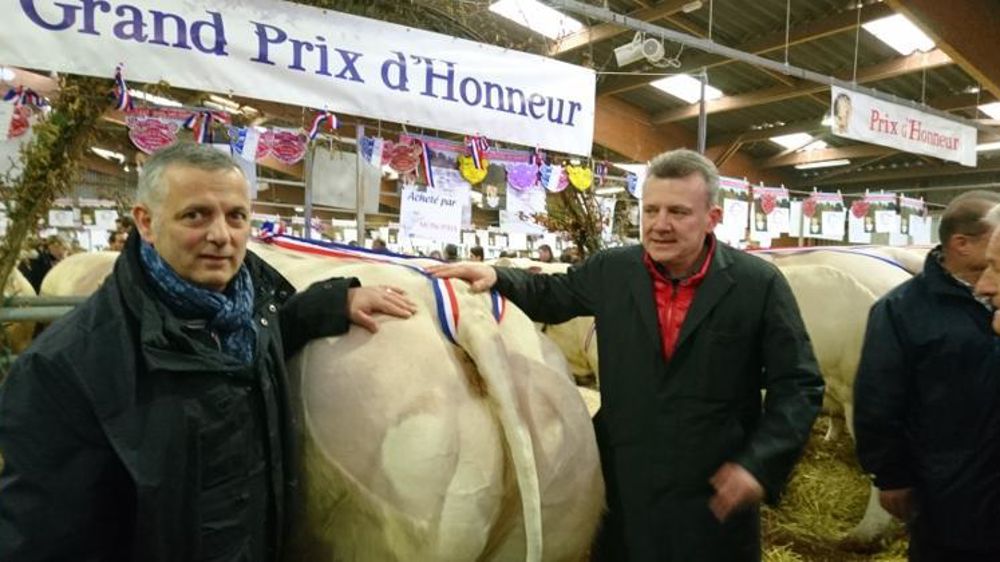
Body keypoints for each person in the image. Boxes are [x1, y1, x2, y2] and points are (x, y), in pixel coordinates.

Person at [0, 143, 418, 562]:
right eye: (195, 215)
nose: (221, 235)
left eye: (236, 216)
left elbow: (273, 333)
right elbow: (40, 535)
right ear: (145, 222)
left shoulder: (251, 313)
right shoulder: (65, 365)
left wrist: (333, 302)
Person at [429, 148, 823, 561]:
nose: (660, 225)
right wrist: (496, 275)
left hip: (715, 491)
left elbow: (799, 384)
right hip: (624, 485)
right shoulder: (614, 270)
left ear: (713, 218)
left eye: (678, 212)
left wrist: (759, 464)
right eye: (650, 211)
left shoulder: (756, 284)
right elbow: (551, 295)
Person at [855, 190, 1000, 562]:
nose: (987, 284)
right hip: (946, 490)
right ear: (961, 244)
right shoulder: (901, 310)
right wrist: (891, 476)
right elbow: (878, 399)